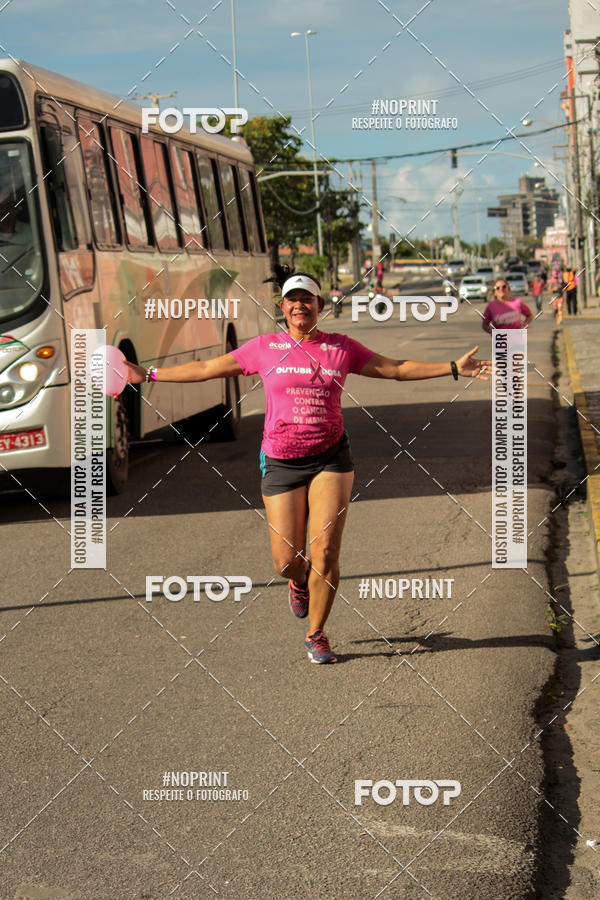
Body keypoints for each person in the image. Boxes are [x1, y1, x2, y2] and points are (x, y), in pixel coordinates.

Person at [126, 268, 491, 664]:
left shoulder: (340, 347)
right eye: (293, 300)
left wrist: (453, 367)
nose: (300, 305)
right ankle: (298, 581)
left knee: (327, 550)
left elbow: (396, 369)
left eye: (308, 299)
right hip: (281, 461)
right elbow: (206, 369)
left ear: (320, 306)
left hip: (331, 458)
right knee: (286, 561)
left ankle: (316, 633)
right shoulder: (263, 348)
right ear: (282, 307)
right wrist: (149, 373)